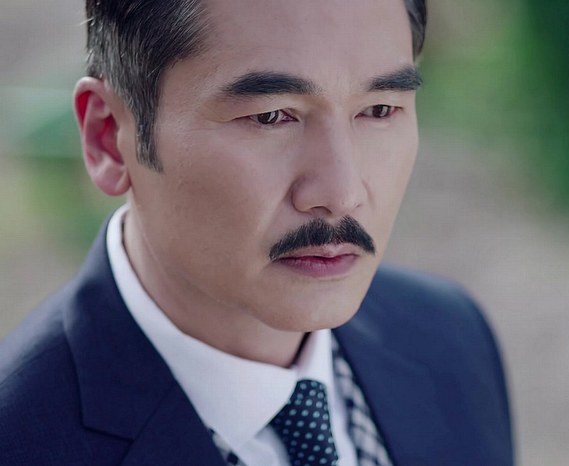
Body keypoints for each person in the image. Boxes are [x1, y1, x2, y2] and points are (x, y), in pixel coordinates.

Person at [0, 0, 514, 465]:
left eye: (379, 110)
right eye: (270, 117)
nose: (341, 193)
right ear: (109, 137)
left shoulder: (450, 339)